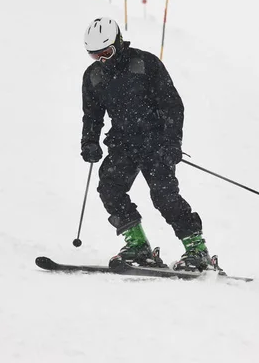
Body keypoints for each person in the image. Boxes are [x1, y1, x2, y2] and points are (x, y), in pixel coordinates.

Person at [80, 17, 210, 271]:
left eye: (106, 53)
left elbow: (173, 105)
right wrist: (89, 142)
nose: (102, 60)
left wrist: (172, 142)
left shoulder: (145, 63)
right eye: (95, 56)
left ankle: (197, 249)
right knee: (109, 188)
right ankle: (138, 245)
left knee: (164, 195)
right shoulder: (93, 76)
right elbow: (93, 114)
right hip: (122, 143)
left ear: (118, 43)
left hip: (156, 142)